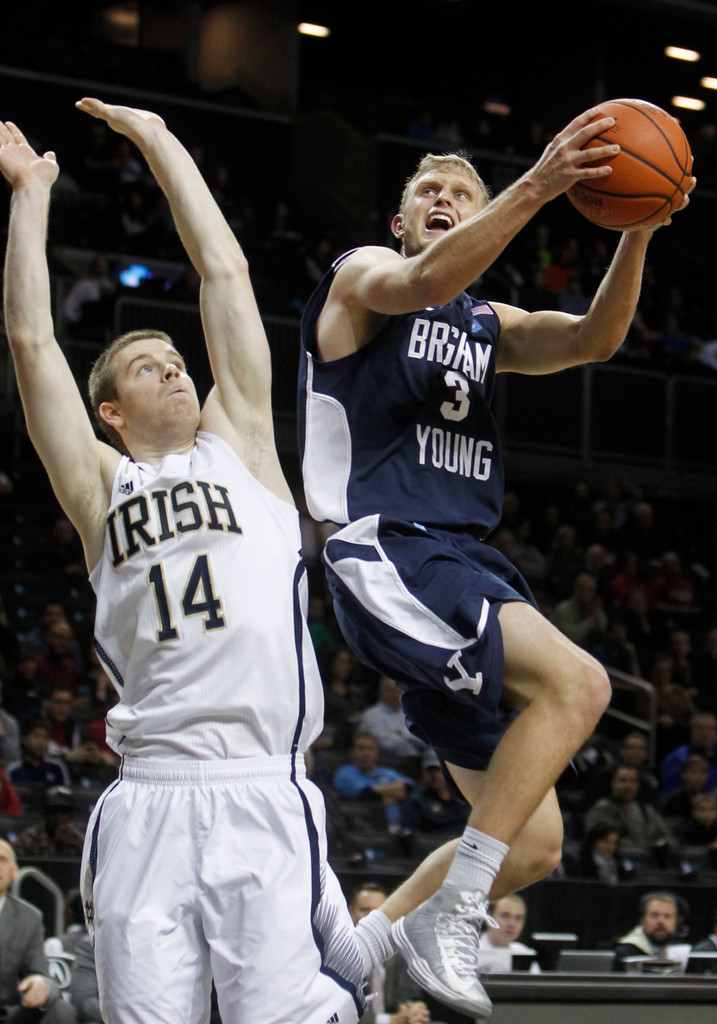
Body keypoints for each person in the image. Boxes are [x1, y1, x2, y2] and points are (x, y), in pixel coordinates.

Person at [298, 104, 693, 1016]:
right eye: (429, 193)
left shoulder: (486, 324)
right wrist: (542, 181)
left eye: (461, 192)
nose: (445, 199)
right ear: (400, 221)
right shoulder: (361, 275)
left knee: (534, 843)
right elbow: (424, 278)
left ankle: (361, 951)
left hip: (460, 560)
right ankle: (454, 918)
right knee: (583, 685)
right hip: (385, 548)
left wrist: (635, 231)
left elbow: (594, 339)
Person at [0, 101, 362, 1024]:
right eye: (147, 365)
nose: (174, 370)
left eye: (177, 359)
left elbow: (223, 267)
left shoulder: (240, 444)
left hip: (258, 782)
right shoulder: (96, 488)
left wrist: (158, 140)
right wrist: (31, 195)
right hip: (147, 796)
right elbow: (32, 344)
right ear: (110, 412)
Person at [0, 839, 76, 1023]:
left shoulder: (29, 917)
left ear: (14, 871)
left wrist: (41, 985)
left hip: (5, 1014)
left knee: (61, 1010)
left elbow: (41, 975)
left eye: (2, 859)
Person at [349, 882, 430, 1024]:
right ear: (351, 912)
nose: (371, 919)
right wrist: (388, 1021)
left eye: (378, 912)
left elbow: (404, 1000)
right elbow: (343, 1013)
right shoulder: (340, 959)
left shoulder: (402, 955)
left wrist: (413, 1010)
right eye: (364, 910)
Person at [333, 731, 414, 829]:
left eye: (370, 749)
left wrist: (380, 792)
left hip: (397, 828)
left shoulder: (387, 772)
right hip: (364, 829)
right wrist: (395, 794)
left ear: (377, 753)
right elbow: (368, 795)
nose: (366, 753)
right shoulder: (344, 773)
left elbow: (409, 788)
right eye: (361, 748)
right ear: (352, 752)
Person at [584, 764, 676, 849]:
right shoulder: (602, 808)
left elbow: (669, 837)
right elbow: (595, 840)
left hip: (649, 861)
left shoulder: (647, 809)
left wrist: (661, 845)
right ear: (612, 783)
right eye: (622, 781)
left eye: (633, 781)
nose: (628, 786)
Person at [660, 711, 717, 795]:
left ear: (716, 732)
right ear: (692, 731)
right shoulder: (677, 757)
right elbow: (668, 791)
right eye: (700, 728)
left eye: (710, 729)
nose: (705, 733)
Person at [359, 676, 429, 761]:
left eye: (397, 691)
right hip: (387, 761)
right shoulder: (371, 715)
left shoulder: (409, 712)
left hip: (418, 758)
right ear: (381, 691)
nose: (395, 694)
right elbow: (385, 743)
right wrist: (411, 743)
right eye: (390, 691)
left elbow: (424, 739)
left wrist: (400, 734)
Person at [612, 892, 685, 970]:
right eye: (654, 915)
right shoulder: (626, 952)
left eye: (667, 916)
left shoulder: (682, 951)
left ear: (676, 922)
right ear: (642, 920)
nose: (661, 921)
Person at [12, 785, 86, 859]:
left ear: (71, 815)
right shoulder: (29, 837)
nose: (58, 816)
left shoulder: (78, 840)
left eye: (63, 812)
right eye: (53, 811)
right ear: (44, 814)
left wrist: (67, 844)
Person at [478, 893, 539, 973]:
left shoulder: (524, 953)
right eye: (505, 916)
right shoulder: (471, 951)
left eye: (518, 918)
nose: (512, 924)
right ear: (489, 918)